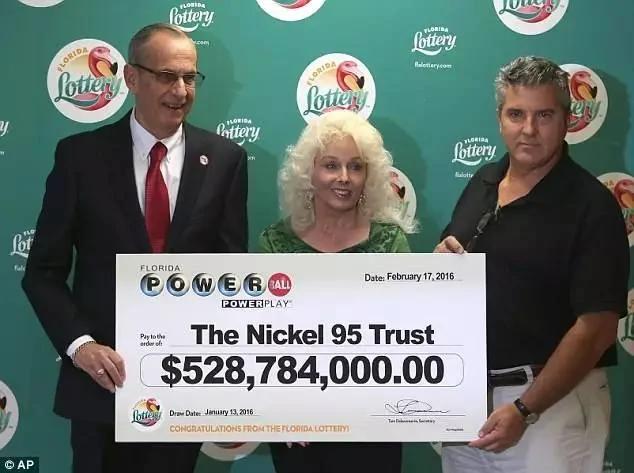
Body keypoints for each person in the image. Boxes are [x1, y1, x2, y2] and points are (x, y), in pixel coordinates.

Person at [22, 23, 248, 473]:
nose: (180, 91)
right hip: (101, 386)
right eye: (166, 76)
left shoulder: (226, 160)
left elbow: (231, 278)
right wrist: (80, 346)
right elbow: (43, 272)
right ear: (131, 77)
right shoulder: (79, 157)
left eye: (189, 78)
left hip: (184, 386)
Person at [436, 56, 629, 473]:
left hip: (548, 409)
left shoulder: (591, 205)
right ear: (499, 118)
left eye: (544, 115)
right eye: (516, 114)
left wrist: (526, 409)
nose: (528, 129)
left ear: (567, 120)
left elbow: (596, 328)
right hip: (467, 403)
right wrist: (441, 264)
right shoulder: (483, 181)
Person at [259, 109, 415, 472]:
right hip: (297, 425)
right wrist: (281, 405)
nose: (344, 178)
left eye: (356, 167)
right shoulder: (275, 243)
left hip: (373, 422)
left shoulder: (391, 242)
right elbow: (261, 339)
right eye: (331, 165)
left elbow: (409, 334)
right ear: (308, 173)